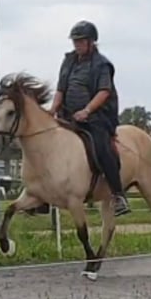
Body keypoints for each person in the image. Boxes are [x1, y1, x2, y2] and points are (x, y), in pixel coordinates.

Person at [48, 20, 131, 216]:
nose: (77, 45)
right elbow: (61, 89)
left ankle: (118, 195)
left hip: (96, 116)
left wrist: (87, 110)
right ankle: (45, 194)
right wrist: (52, 110)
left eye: (80, 41)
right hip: (68, 115)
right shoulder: (68, 61)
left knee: (102, 148)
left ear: (91, 42)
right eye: (75, 41)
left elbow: (104, 91)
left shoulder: (102, 65)